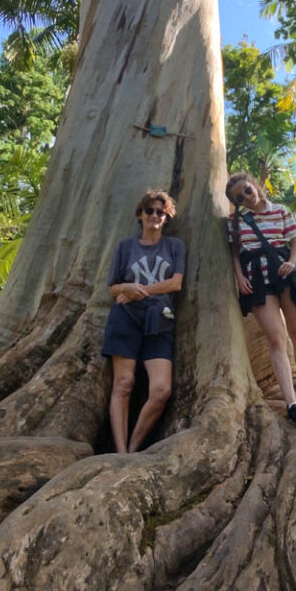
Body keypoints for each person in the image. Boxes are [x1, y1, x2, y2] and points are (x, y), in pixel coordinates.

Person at [225, 172, 296, 429]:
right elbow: (234, 253)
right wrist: (239, 276)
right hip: (257, 282)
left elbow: (295, 244)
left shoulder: (281, 211)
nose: (245, 198)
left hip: (284, 276)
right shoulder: (235, 221)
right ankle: (292, 405)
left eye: (247, 191)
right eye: (239, 197)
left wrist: (292, 262)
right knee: (276, 339)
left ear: (255, 186)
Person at [103, 190, 185, 454]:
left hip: (160, 319)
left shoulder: (175, 246)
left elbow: (176, 283)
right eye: (149, 210)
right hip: (126, 318)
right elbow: (113, 288)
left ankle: (135, 445)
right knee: (123, 384)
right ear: (140, 214)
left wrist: (141, 291)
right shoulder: (125, 247)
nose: (154, 215)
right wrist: (126, 286)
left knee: (161, 389)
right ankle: (121, 452)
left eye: (160, 212)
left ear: (166, 217)